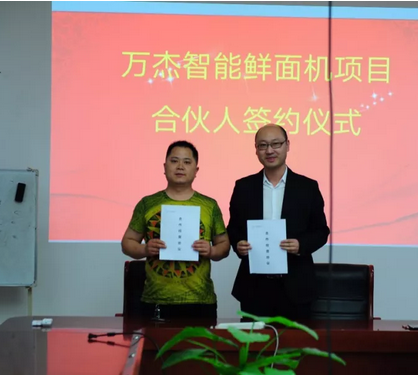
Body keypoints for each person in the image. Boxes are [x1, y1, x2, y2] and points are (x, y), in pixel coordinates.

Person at [227, 124, 330, 320]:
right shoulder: (243, 187)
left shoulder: (307, 187)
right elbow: (233, 228)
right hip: (254, 287)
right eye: (263, 145)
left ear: (287, 145)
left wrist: (301, 244)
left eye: (276, 144)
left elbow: (321, 231)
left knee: (294, 340)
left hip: (296, 286)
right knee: (254, 339)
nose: (269, 150)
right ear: (256, 149)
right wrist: (238, 244)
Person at [121, 140, 230, 320]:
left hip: (200, 301)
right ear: (164, 167)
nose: (180, 166)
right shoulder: (147, 203)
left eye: (187, 162)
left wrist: (211, 251)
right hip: (156, 300)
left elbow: (224, 245)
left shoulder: (209, 205)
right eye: (174, 161)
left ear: (196, 170)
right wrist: (145, 249)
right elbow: (127, 243)